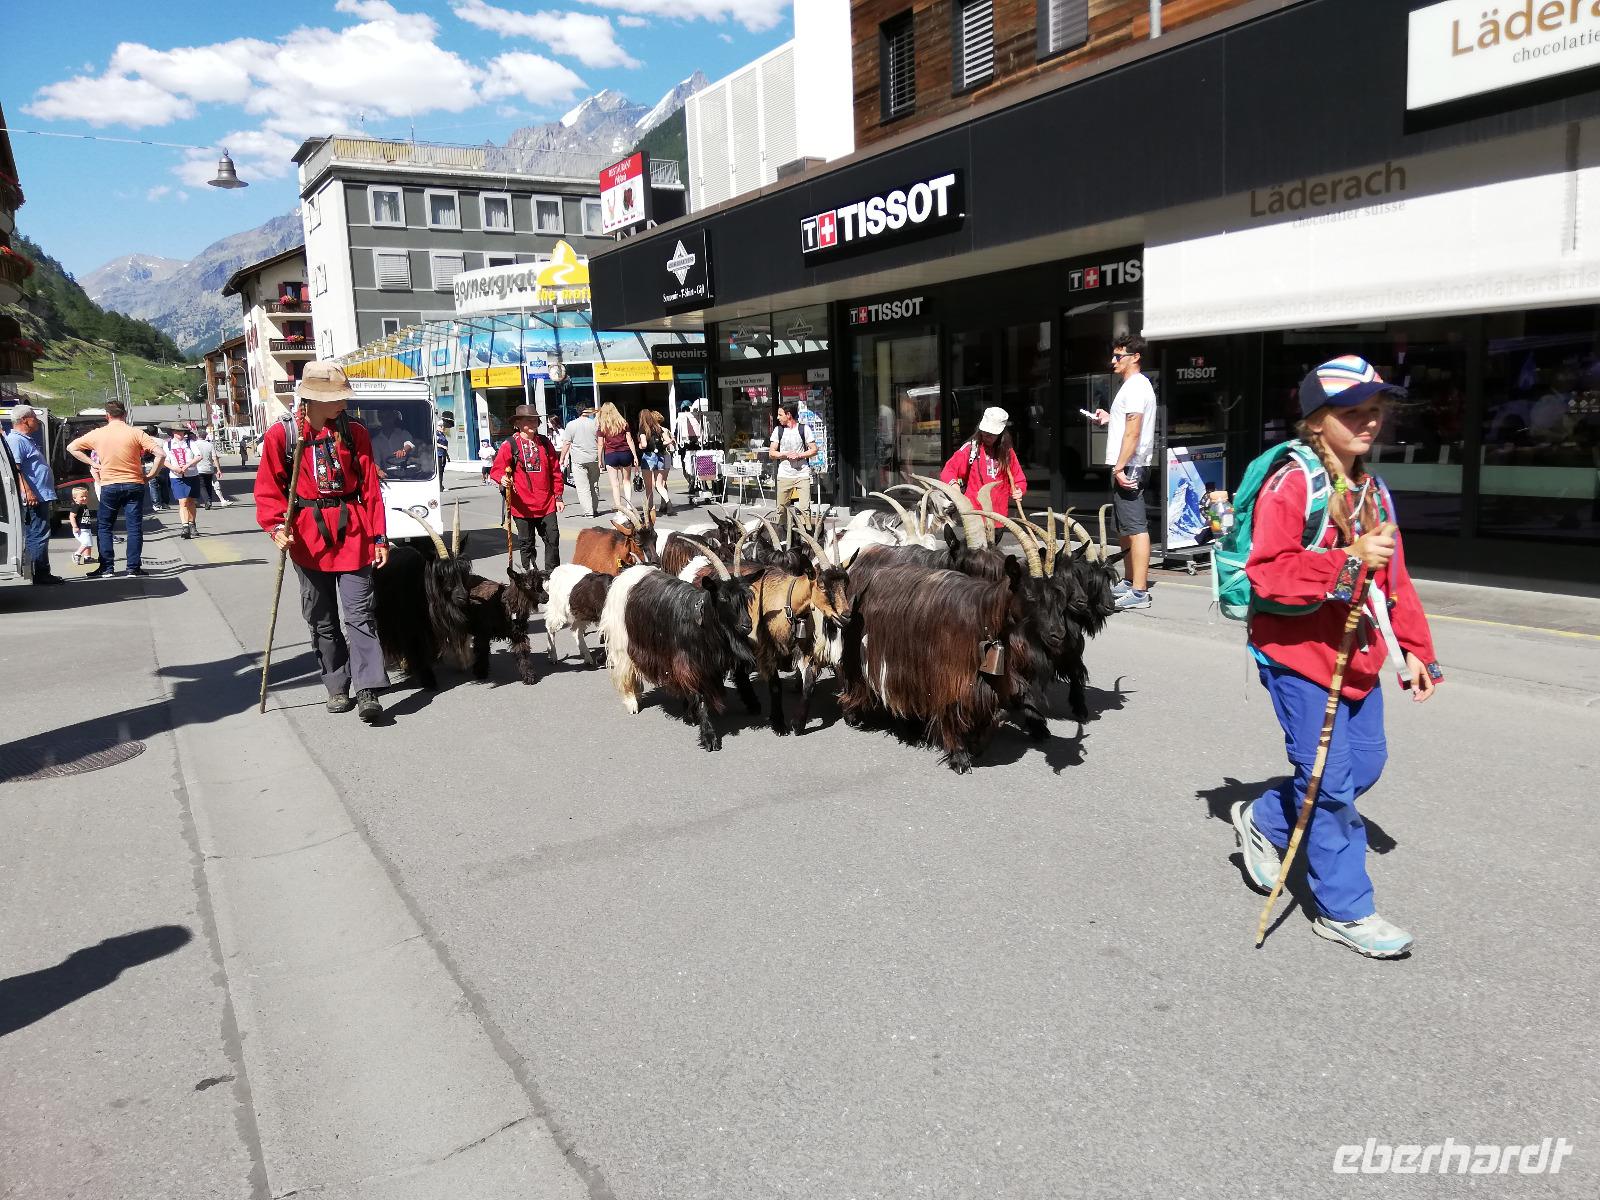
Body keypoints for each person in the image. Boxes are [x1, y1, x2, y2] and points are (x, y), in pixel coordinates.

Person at [1231, 355, 1443, 960]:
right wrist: (1348, 561)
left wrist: (1417, 651)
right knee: (1329, 784)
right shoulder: (1292, 483)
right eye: (1353, 412)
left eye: (1375, 410)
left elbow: (1394, 577)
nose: (1369, 422)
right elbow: (1268, 574)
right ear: (1317, 421)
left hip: (1359, 656)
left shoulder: (1373, 489)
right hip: (1297, 655)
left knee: (1364, 766)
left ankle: (1265, 818)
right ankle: (1347, 910)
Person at [254, 361, 390, 724]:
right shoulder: (282, 435)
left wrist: (380, 536)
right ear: (311, 400)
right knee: (322, 618)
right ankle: (336, 685)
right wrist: (274, 527)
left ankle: (367, 689)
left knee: (360, 614)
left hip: (354, 533)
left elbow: (370, 489)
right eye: (335, 398)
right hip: (307, 537)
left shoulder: (354, 431)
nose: (343, 403)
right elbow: (269, 489)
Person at [1093, 333, 1158, 610]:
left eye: (1118, 356)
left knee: (1136, 527)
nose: (1113, 361)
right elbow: (1126, 425)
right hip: (1127, 464)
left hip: (1130, 465)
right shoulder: (1132, 387)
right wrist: (1110, 418)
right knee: (1124, 526)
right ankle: (1131, 581)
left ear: (1135, 357)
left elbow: (1133, 432)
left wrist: (1120, 467)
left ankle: (1140, 591)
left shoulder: (1135, 387)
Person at [67, 399, 165, 578]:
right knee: (134, 527)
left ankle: (107, 568)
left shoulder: (98, 434)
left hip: (109, 484)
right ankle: (133, 568)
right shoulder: (136, 433)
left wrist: (93, 463)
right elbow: (161, 453)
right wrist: (151, 475)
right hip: (134, 483)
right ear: (125, 415)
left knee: (105, 527)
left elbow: (72, 447)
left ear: (107, 416)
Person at [489, 405, 564, 574]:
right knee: (526, 543)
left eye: (535, 419)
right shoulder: (510, 445)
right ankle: (530, 575)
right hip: (521, 505)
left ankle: (552, 575)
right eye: (528, 420)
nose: (533, 423)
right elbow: (497, 470)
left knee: (553, 538)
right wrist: (502, 478)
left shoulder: (545, 443)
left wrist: (558, 496)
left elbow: (555, 471)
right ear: (518, 423)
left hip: (547, 503)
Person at [4, 404, 63, 586]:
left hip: (39, 495)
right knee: (38, 534)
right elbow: (17, 469)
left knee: (39, 533)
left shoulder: (25, 439)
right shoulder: (17, 441)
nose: (36, 421)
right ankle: (40, 573)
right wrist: (27, 491)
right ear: (24, 421)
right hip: (33, 497)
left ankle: (41, 571)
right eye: (33, 418)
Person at [938, 406, 1026, 512]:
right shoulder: (970, 449)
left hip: (999, 515)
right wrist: (954, 485)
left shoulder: (1007, 452)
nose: (987, 436)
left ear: (1001, 434)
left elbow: (1019, 479)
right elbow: (948, 471)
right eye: (985, 432)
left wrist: (1018, 490)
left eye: (992, 434)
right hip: (974, 514)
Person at [768, 400, 818, 512]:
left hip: (802, 473)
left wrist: (799, 455)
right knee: (781, 509)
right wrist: (785, 454)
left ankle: (806, 528)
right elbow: (771, 453)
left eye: (780, 414)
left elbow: (814, 450)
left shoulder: (804, 429)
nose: (777, 417)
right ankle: (783, 529)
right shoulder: (778, 430)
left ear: (788, 415)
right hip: (784, 474)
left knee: (805, 509)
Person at [559, 404, 601, 517]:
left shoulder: (571, 425)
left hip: (578, 460)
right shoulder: (595, 424)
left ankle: (588, 512)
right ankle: (594, 508)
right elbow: (601, 442)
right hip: (594, 458)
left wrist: (562, 458)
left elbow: (567, 443)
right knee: (594, 484)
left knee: (583, 487)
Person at [596, 402, 637, 517]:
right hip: (625, 454)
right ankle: (629, 506)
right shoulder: (623, 423)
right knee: (627, 481)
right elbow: (630, 441)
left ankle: (619, 509)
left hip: (611, 455)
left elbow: (600, 445)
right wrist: (634, 456)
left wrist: (600, 460)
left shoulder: (602, 426)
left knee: (615, 484)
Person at [636, 408, 674, 518]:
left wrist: (640, 446)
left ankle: (650, 509)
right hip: (663, 456)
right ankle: (667, 502)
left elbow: (643, 444)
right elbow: (668, 441)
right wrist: (661, 445)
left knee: (649, 487)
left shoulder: (643, 429)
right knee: (660, 484)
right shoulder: (659, 428)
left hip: (648, 457)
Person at [165, 426, 202, 539]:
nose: (179, 433)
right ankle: (185, 526)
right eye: (177, 431)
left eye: (181, 431)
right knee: (183, 501)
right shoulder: (168, 445)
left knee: (191, 501)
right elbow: (165, 460)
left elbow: (199, 456)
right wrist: (174, 468)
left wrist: (188, 465)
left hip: (191, 474)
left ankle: (192, 524)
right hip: (176, 477)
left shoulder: (190, 443)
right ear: (173, 432)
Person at [672, 401, 704, 505]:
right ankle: (697, 483)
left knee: (687, 468)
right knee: (697, 466)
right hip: (696, 446)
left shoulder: (679, 420)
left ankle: (692, 482)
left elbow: (676, 435)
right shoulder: (696, 419)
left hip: (685, 448)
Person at [372, 409, 418, 478]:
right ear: (380, 419)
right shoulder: (375, 441)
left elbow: (409, 444)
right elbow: (376, 461)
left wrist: (403, 451)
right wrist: (378, 471)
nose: (387, 420)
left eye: (389, 417)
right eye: (383, 418)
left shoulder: (403, 433)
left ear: (393, 418)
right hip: (389, 477)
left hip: (408, 475)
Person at [192, 429, 228, 508]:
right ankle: (209, 501)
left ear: (197, 436)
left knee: (202, 486)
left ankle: (207, 501)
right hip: (209, 468)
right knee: (208, 485)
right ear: (205, 436)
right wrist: (218, 469)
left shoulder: (194, 444)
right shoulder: (210, 445)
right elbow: (215, 458)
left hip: (198, 468)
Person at [145, 424, 172, 511]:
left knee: (153, 485)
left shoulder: (145, 441)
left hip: (149, 465)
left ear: (147, 432)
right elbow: (166, 454)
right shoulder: (162, 442)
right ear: (157, 432)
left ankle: (156, 504)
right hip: (162, 465)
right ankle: (165, 503)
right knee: (164, 485)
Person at [68, 485, 95, 565]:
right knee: (86, 543)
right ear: (75, 498)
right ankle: (77, 554)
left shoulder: (83, 505)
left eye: (86, 496)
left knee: (89, 543)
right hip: (80, 529)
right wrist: (75, 526)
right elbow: (72, 516)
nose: (85, 498)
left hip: (86, 528)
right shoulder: (76, 506)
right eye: (82, 496)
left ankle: (87, 558)